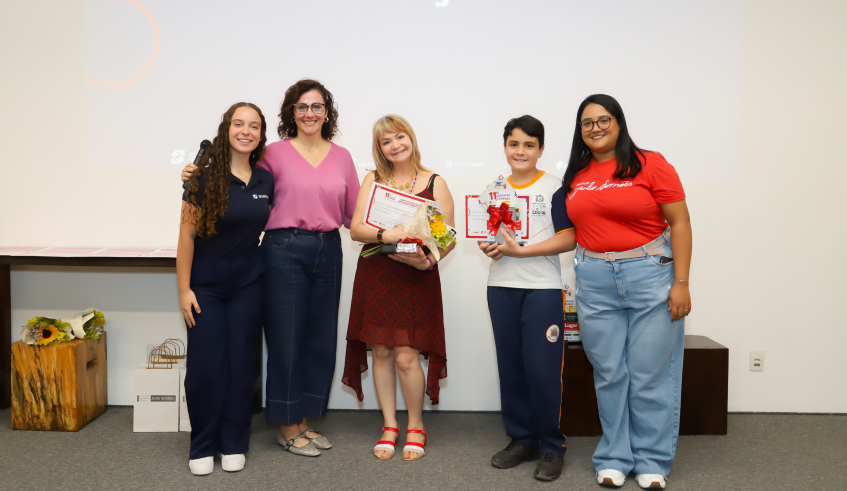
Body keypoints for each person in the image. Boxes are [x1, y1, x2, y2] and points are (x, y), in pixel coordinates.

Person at [181, 79, 359, 457]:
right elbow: (235, 177)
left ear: (327, 112)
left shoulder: (343, 157)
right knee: (287, 339)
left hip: (329, 249)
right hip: (284, 249)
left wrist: (400, 229)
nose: (309, 113)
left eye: (316, 106)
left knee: (320, 339)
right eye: (301, 106)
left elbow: (354, 216)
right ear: (291, 113)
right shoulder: (273, 154)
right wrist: (196, 174)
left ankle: (304, 419)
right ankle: (286, 425)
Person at [538, 94, 692, 490]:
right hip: (594, 279)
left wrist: (681, 282)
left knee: (649, 374)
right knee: (609, 373)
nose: (596, 128)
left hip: (650, 275)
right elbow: (572, 232)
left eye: (603, 119)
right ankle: (614, 458)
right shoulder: (577, 174)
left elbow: (680, 223)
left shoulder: (650, 163)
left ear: (619, 122)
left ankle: (652, 461)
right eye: (587, 123)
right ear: (580, 131)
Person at [342, 114, 455, 461]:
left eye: (399, 137)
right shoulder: (373, 180)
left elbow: (447, 238)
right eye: (386, 141)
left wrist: (428, 262)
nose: (395, 145)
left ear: (411, 138)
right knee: (381, 352)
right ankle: (390, 425)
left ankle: (416, 425)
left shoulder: (435, 182)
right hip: (377, 273)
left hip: (416, 277)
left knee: (406, 356)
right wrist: (385, 234)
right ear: (379, 148)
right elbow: (356, 229)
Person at [477, 115, 576, 482]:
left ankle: (551, 445)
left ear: (541, 149)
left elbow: (569, 238)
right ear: (505, 147)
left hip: (542, 289)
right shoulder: (492, 189)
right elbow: (488, 235)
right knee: (512, 368)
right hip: (501, 286)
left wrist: (523, 251)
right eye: (514, 144)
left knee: (542, 370)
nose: (521, 151)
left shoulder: (554, 187)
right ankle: (522, 439)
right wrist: (489, 247)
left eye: (529, 145)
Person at [177, 102, 273, 475]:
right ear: (226, 129)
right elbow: (186, 236)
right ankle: (203, 445)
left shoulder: (266, 180)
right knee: (206, 367)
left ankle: (234, 442)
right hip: (206, 285)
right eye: (239, 123)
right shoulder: (200, 178)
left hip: (248, 283)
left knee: (241, 366)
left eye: (254, 125)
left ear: (261, 134)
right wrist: (184, 290)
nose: (246, 131)